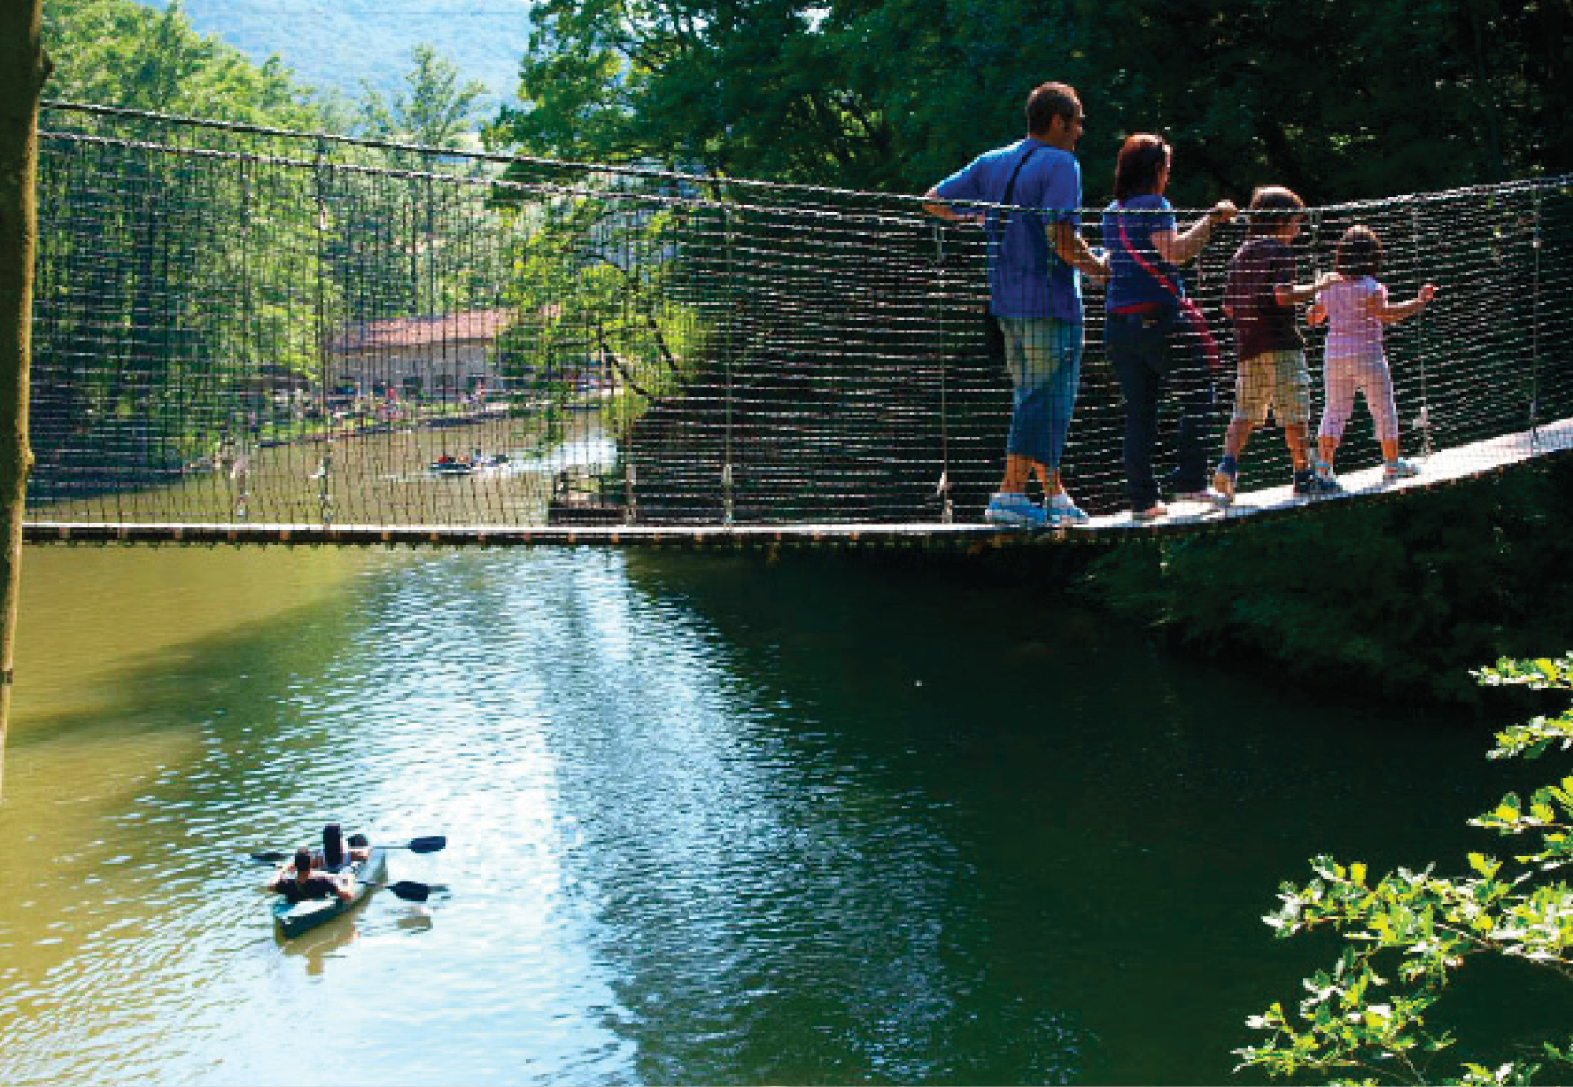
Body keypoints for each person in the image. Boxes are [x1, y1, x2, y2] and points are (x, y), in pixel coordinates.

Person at [923, 81, 1110, 528]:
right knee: (1047, 399)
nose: (1081, 130)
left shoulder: (993, 161)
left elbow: (933, 201)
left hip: (1005, 302)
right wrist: (1100, 269)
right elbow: (1061, 237)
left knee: (1034, 395)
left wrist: (978, 218)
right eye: (1078, 121)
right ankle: (1009, 494)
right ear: (1057, 121)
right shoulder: (1061, 163)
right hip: (1051, 302)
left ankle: (1053, 494)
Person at [1100, 134, 1237, 521]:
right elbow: (1175, 252)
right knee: (1199, 393)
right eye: (1167, 169)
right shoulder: (1155, 205)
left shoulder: (1112, 212)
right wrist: (1212, 221)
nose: (1168, 177)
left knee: (1140, 412)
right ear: (1155, 169)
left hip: (1118, 326)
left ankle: (1143, 501)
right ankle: (1191, 481)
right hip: (1158, 320)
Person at [1214, 186, 1338, 502]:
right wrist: (1319, 285)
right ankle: (1303, 477)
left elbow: (1228, 307)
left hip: (1248, 346)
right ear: (1280, 220)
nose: (1298, 230)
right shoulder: (1280, 252)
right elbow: (1283, 295)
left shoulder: (1240, 254)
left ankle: (1227, 467)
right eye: (1295, 222)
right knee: (1294, 412)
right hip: (1282, 344)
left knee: (1244, 411)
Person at [1308, 224, 1437, 483]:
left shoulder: (1328, 283)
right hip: (1368, 354)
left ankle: (1323, 469)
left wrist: (1317, 297)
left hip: (1334, 356)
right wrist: (1418, 303)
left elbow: (1314, 319)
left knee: (1334, 410)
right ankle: (1391, 464)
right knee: (1382, 408)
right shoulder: (1371, 287)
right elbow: (1385, 314)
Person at [269, 847, 353, 905]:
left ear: (295, 866)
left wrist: (282, 870)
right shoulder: (322, 882)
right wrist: (350, 881)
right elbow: (348, 896)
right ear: (310, 865)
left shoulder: (287, 884)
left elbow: (271, 885)